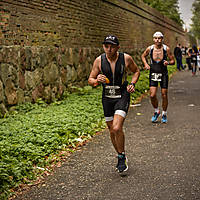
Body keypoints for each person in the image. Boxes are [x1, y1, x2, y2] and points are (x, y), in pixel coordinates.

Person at [88, 35, 140, 173]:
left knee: (117, 127)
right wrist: (97, 80)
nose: (109, 49)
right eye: (106, 46)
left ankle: (121, 156)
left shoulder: (126, 58)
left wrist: (132, 84)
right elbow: (90, 80)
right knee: (111, 130)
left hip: (122, 95)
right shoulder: (99, 60)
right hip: (107, 97)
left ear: (118, 47)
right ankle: (120, 155)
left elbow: (136, 71)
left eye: (112, 46)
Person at [141, 31, 175, 123]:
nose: (157, 40)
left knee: (164, 94)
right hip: (153, 73)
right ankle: (156, 111)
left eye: (159, 38)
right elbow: (143, 56)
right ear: (153, 39)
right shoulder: (150, 48)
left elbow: (173, 61)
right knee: (152, 95)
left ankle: (164, 113)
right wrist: (146, 64)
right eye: (156, 38)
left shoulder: (166, 49)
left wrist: (168, 63)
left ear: (162, 39)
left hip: (163, 74)